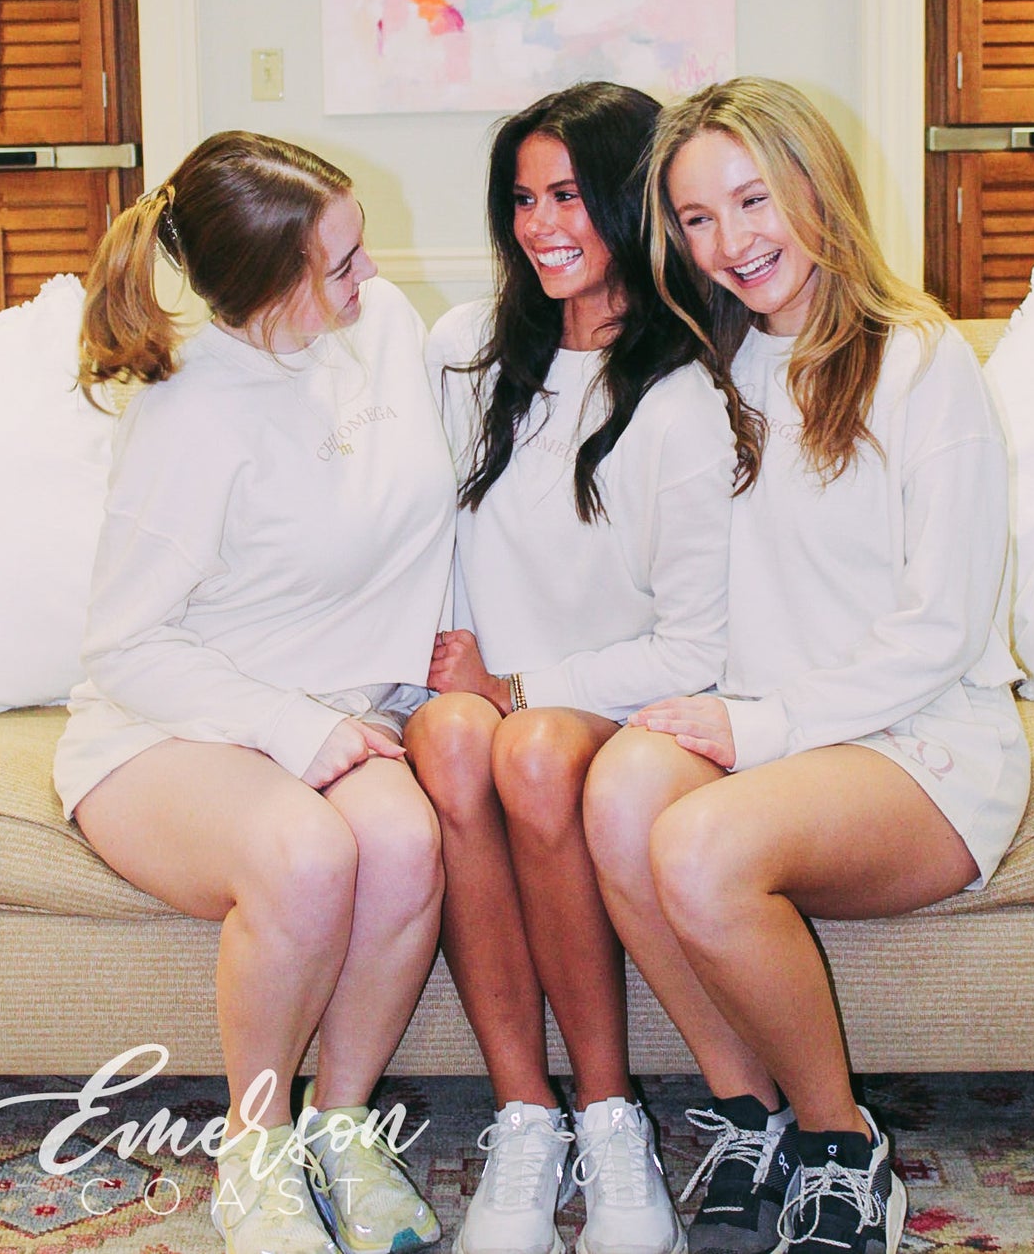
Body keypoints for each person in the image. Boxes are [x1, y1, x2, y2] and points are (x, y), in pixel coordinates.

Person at [583, 79, 1030, 1254]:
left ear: (815, 183)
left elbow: (943, 628)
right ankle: (752, 1115)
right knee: (619, 788)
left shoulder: (921, 361)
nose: (730, 241)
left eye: (752, 198)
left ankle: (842, 1143)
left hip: (923, 743)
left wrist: (758, 725)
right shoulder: (708, 376)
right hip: (776, 740)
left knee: (698, 840)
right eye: (696, 217)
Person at [53, 131, 457, 1254]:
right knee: (309, 853)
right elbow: (126, 643)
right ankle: (257, 1147)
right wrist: (290, 725)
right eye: (341, 262)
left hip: (343, 708)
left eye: (361, 244)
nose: (373, 274)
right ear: (267, 288)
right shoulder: (187, 410)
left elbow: (433, 516)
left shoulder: (382, 327)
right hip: (171, 723)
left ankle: (343, 1128)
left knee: (405, 844)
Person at [406, 81, 745, 1254]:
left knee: (536, 748)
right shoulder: (463, 350)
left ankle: (611, 1119)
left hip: (608, 701)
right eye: (522, 198)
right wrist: (455, 683)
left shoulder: (686, 392)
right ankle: (525, 1115)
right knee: (458, 739)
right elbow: (421, 538)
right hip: (470, 697)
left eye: (568, 195)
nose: (541, 224)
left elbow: (695, 644)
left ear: (628, 201)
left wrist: (517, 688)